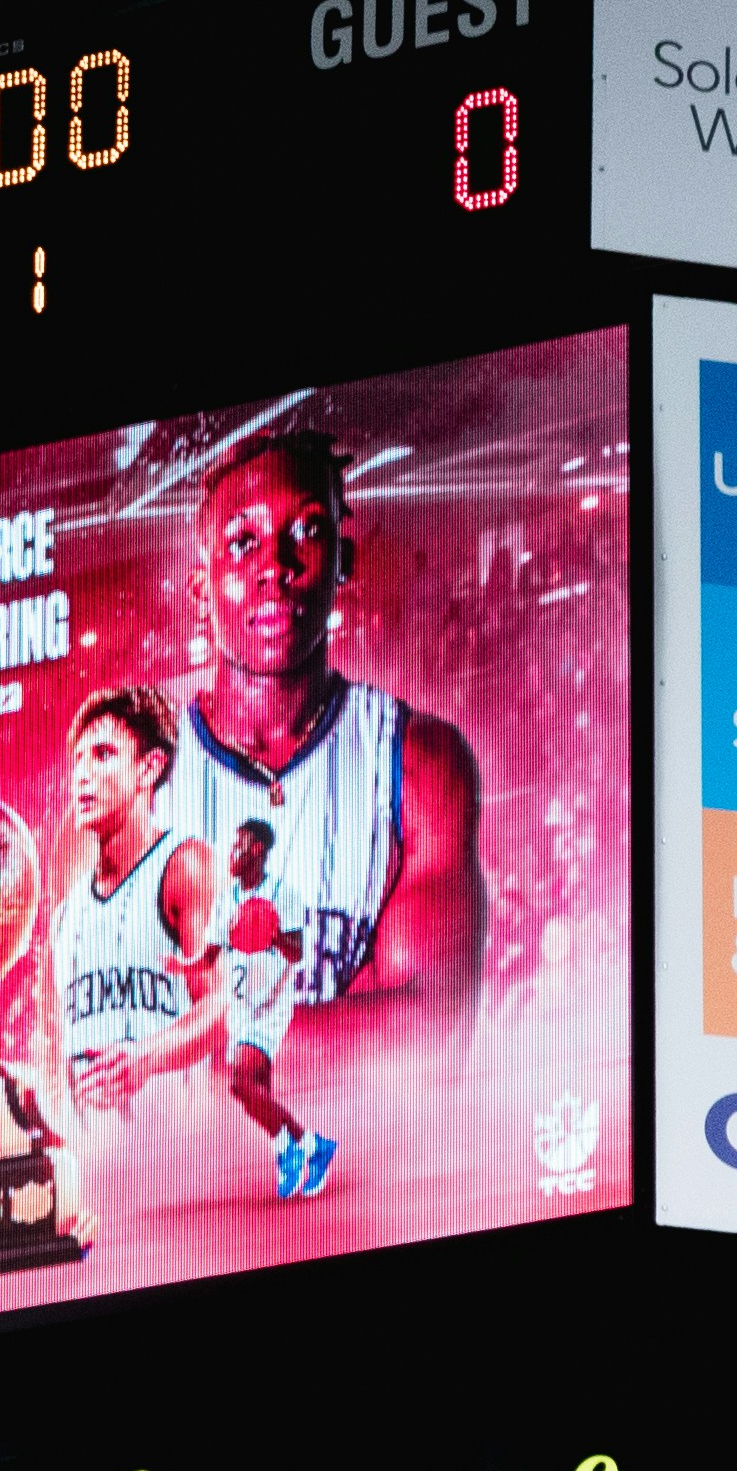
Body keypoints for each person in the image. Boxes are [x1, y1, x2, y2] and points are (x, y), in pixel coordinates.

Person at [163, 428, 485, 1062]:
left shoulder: (418, 762)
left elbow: (431, 1043)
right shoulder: (145, 782)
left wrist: (210, 1037)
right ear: (200, 591)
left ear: (346, 559)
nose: (274, 565)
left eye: (307, 531)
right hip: (210, 1165)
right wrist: (357, 1019)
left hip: (382, 1159)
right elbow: (119, 1073)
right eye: (241, 542)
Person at [52, 684, 214, 1125]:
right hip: (98, 1177)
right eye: (78, 759)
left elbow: (223, 1007)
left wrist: (144, 1058)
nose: (82, 774)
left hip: (184, 1153)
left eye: (103, 755)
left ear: (149, 768)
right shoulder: (64, 916)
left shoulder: (184, 866)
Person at [168, 813, 335, 1199]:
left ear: (256, 849)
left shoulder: (283, 895)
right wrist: (183, 964)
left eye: (239, 844)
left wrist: (271, 934)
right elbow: (210, 955)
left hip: (271, 1004)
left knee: (240, 1084)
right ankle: (310, 1146)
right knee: (253, 1096)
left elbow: (296, 954)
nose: (232, 851)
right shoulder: (227, 900)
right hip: (241, 1005)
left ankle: (291, 1152)